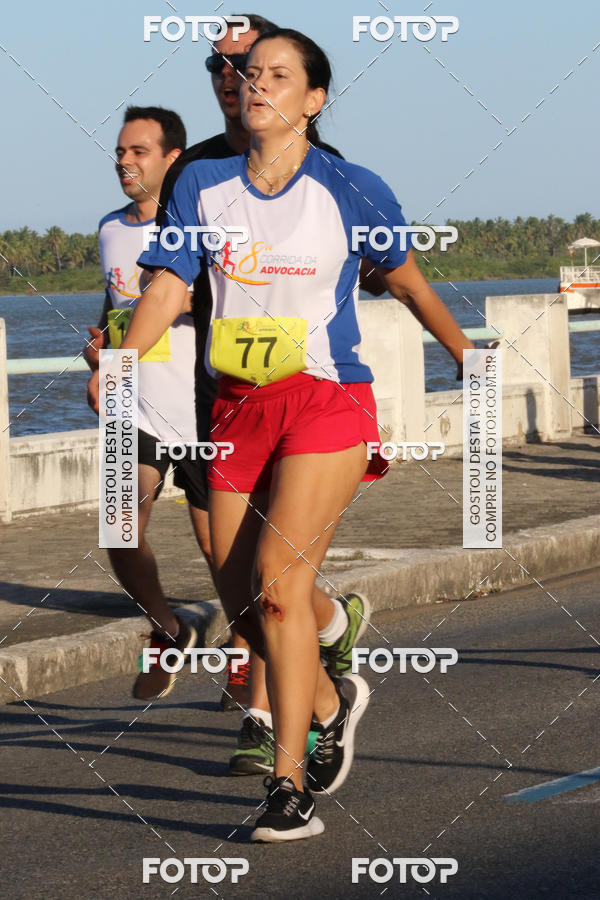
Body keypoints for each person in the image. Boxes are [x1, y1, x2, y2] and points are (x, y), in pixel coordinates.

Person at [117, 27, 476, 841]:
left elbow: (406, 278)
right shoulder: (200, 183)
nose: (257, 85)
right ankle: (327, 694)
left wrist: (464, 353)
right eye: (248, 74)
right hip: (235, 410)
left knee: (280, 580)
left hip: (325, 399)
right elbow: (172, 285)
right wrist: (125, 360)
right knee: (243, 596)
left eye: (278, 75)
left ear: (313, 101)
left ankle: (287, 786)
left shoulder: (351, 187)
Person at [84, 106, 211, 702]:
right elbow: (110, 310)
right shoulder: (110, 227)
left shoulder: (201, 227)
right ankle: (169, 628)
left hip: (204, 408)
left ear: (172, 159)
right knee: (118, 526)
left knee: (225, 554)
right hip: (132, 408)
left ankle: (249, 665)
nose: (124, 162)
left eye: (138, 152)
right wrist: (100, 360)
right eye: (119, 152)